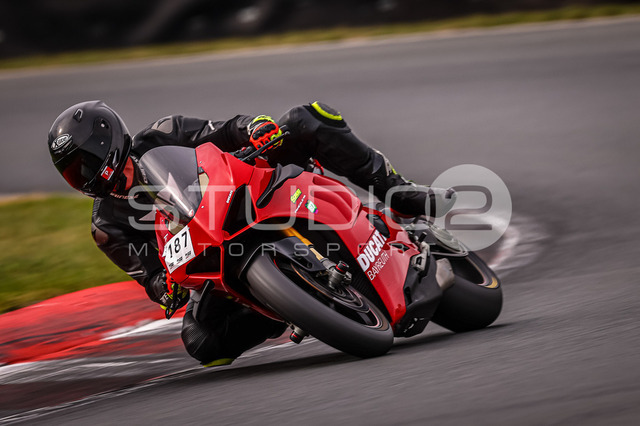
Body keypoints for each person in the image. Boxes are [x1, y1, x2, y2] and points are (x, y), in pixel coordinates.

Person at [47, 100, 455, 366]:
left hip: (247, 191)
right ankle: (288, 305)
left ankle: (400, 193)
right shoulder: (106, 227)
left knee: (306, 119)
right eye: (71, 173)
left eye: (84, 164)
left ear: (106, 141)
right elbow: (151, 277)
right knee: (200, 341)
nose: (81, 177)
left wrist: (254, 128)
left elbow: (224, 131)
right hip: (211, 260)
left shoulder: (162, 133)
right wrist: (165, 289)